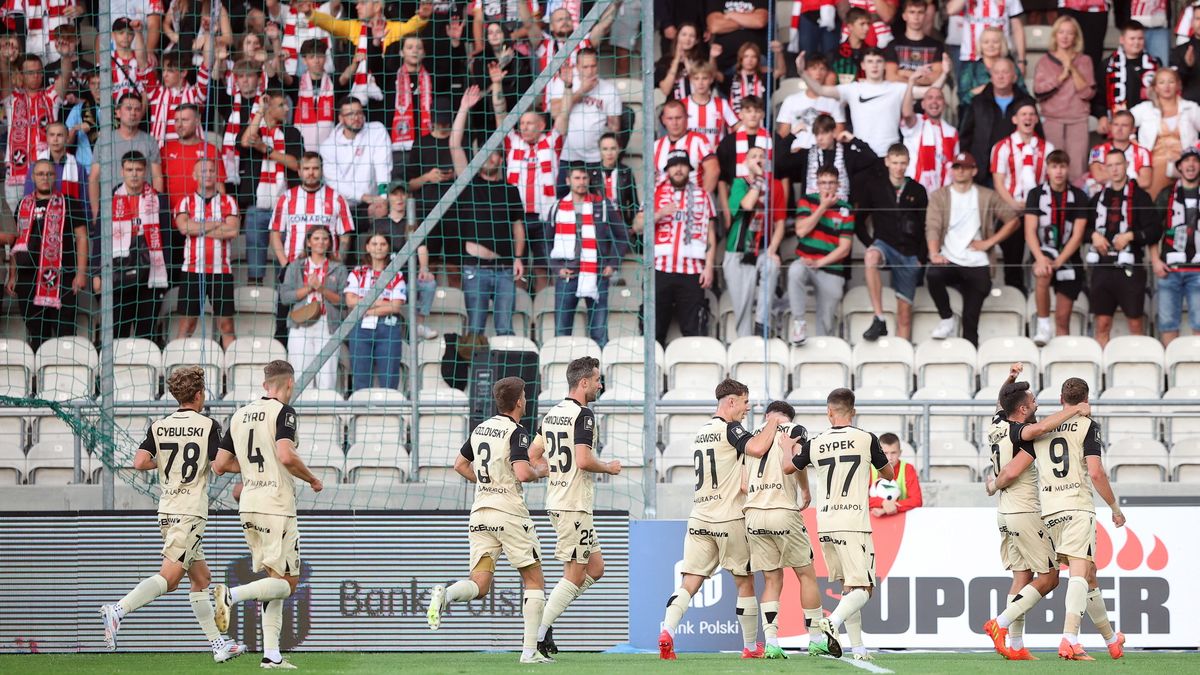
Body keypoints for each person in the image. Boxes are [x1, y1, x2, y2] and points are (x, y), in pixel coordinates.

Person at [98, 366, 245, 662]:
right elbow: (221, 463)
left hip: (167, 510)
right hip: (190, 512)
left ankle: (219, 645)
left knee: (202, 578)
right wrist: (252, 466)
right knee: (171, 577)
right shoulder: (208, 425)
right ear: (200, 395)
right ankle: (118, 610)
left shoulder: (159, 425)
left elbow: (140, 462)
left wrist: (166, 464)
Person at [989, 377, 1127, 662]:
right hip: (1073, 506)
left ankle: (1111, 640)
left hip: (1047, 512)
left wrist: (992, 484)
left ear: (1061, 399)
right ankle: (1066, 639)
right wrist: (1115, 507)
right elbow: (1097, 472)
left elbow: (1012, 469)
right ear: (1085, 399)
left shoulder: (1036, 432)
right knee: (1070, 573)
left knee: (1087, 573)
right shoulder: (1085, 425)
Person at [426, 376, 553, 664]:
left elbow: (459, 464)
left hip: (481, 514)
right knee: (534, 580)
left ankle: (445, 595)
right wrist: (542, 472)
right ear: (519, 401)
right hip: (509, 514)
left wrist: (487, 483)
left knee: (480, 585)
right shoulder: (517, 432)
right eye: (525, 396)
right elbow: (522, 472)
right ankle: (529, 652)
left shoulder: (481, 428)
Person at [658, 378, 787, 661]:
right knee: (745, 583)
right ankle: (751, 647)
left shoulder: (702, 431)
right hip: (728, 518)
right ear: (730, 402)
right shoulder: (731, 429)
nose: (747, 407)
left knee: (689, 583)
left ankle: (667, 631)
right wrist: (773, 424)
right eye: (744, 402)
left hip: (698, 518)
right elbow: (756, 448)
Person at [212, 360, 323, 670]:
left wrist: (248, 469)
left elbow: (219, 465)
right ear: (289, 384)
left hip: (248, 505)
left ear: (265, 384)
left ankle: (271, 655)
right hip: (276, 505)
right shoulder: (283, 412)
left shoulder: (238, 415)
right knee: (288, 583)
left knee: (275, 578)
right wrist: (312, 479)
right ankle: (231, 594)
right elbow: (286, 455)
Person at [981, 365, 1089, 660]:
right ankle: (999, 624)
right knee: (1050, 576)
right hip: (1025, 510)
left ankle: (1015, 647)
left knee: (1022, 576)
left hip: (1004, 513)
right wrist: (1077, 409)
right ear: (1024, 408)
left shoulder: (998, 421)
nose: (1037, 402)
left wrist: (1011, 379)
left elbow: (1001, 401)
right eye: (1033, 401)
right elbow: (1015, 465)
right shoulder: (1022, 433)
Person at [779, 387, 893, 662]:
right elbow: (887, 473)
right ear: (853, 412)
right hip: (853, 521)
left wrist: (785, 447)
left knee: (848, 588)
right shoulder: (866, 438)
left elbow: (788, 468)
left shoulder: (816, 442)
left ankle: (859, 649)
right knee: (864, 588)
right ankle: (833, 621)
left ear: (829, 412)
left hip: (825, 521)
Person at [526, 357, 621, 659]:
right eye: (596, 379)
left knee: (596, 568)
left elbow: (532, 455)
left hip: (562, 501)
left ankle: (546, 620)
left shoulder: (552, 413)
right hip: (572, 505)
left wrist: (550, 472)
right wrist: (608, 467)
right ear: (583, 383)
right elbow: (582, 460)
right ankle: (538, 632)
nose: (599, 384)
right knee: (575, 573)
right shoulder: (584, 415)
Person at [742, 400, 832, 659]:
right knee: (806, 574)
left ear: (768, 415)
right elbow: (797, 461)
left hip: (754, 514)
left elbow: (743, 484)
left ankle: (771, 643)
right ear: (789, 416)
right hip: (782, 510)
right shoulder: (795, 429)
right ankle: (815, 639)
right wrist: (805, 490)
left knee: (771, 579)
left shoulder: (751, 438)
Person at [451, 89, 526, 337]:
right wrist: (464, 107)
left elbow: (518, 226)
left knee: (505, 328)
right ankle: (474, 377)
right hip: (476, 269)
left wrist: (518, 258)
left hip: (505, 268)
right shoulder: (469, 182)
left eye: (494, 152)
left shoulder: (510, 189)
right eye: (485, 151)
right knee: (475, 329)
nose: (490, 157)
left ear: (500, 158)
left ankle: (509, 378)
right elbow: (454, 145)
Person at [925, 152, 1021, 345]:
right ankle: (947, 318)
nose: (960, 171)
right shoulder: (939, 196)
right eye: (957, 167)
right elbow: (932, 226)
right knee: (933, 274)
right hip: (950, 259)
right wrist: (934, 253)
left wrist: (988, 243)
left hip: (978, 262)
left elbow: (1013, 220)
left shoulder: (986, 195)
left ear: (974, 171)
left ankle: (970, 366)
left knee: (971, 321)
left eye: (965, 167)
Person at [800, 48, 947, 159]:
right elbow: (819, 89)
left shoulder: (897, 88)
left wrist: (945, 73)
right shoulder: (853, 89)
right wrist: (802, 72)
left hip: (889, 156)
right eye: (870, 62)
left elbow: (932, 91)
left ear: (884, 65)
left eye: (878, 61)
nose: (874, 66)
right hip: (860, 153)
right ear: (863, 65)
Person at [6, 159, 88, 352]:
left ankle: (64, 378)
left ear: (55, 176)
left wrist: (81, 273)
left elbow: (82, 238)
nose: (45, 177)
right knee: (37, 335)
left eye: (49, 174)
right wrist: (12, 275)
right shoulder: (23, 204)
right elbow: (17, 244)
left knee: (64, 335)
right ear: (33, 177)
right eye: (40, 174)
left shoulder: (70, 202)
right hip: (28, 280)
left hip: (62, 278)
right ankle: (39, 379)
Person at [546, 166, 629, 346]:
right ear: (568, 181)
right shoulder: (557, 207)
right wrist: (557, 268)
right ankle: (564, 372)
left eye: (584, 178)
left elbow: (622, 236)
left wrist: (612, 264)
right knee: (562, 333)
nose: (581, 182)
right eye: (577, 178)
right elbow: (546, 242)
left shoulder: (603, 205)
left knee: (599, 333)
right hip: (567, 276)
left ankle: (601, 373)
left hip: (597, 275)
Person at [1088, 148, 1158, 347]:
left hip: (1130, 268)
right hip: (1102, 267)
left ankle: (1138, 368)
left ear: (1127, 165)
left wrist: (1131, 236)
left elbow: (1155, 230)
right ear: (1105, 169)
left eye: (1118, 164)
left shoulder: (1141, 197)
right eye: (1110, 165)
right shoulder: (1098, 198)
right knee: (1102, 323)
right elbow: (1082, 229)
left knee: (1135, 323)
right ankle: (1101, 374)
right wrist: (1094, 236)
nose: (1115, 169)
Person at [859, 144, 928, 342]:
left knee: (904, 316)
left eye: (902, 163)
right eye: (895, 162)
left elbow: (926, 226)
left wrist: (921, 259)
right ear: (887, 162)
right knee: (871, 257)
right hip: (885, 244)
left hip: (909, 252)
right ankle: (879, 317)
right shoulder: (875, 186)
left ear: (908, 163)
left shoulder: (918, 189)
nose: (898, 167)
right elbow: (859, 221)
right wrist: (871, 243)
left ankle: (900, 359)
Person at [652, 151, 716, 345]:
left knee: (694, 330)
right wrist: (660, 213)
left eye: (682, 165)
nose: (678, 169)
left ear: (689, 169)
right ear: (667, 170)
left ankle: (693, 372)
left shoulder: (703, 195)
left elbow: (710, 232)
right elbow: (637, 226)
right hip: (660, 270)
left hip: (692, 271)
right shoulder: (655, 192)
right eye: (674, 165)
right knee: (654, 330)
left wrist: (709, 266)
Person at [1025, 150, 1088, 345]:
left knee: (1062, 319)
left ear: (1068, 169)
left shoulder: (1078, 196)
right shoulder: (1036, 194)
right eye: (1054, 166)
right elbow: (1030, 231)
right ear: (1048, 169)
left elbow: (1077, 236)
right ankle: (1043, 325)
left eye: (1062, 166)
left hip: (1068, 257)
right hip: (1044, 249)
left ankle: (1063, 359)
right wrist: (1040, 258)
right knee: (1042, 271)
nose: (1058, 171)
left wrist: (1059, 261)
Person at [991, 101, 1055, 293]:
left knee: (1044, 254)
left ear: (1036, 119)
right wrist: (1013, 204)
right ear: (1015, 119)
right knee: (1013, 256)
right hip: (1013, 209)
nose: (1027, 118)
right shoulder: (1002, 147)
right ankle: (1016, 294)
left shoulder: (1047, 148)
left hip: (1040, 210)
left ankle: (1042, 295)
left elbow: (1052, 180)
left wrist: (1037, 206)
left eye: (1031, 114)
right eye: (1023, 114)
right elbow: (998, 182)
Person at [175, 159, 239, 348]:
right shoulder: (185, 201)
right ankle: (178, 366)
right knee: (188, 324)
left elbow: (233, 231)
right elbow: (184, 227)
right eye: (203, 171)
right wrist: (217, 224)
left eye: (212, 170)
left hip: (221, 272)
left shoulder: (228, 201)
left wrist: (198, 228)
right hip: (192, 271)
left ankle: (231, 371)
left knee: (226, 325)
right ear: (194, 176)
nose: (208, 174)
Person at [106, 152, 168, 341]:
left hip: (150, 274)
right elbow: (101, 238)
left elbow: (167, 240)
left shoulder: (159, 199)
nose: (134, 174)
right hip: (118, 273)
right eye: (129, 169)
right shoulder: (110, 199)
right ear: (121, 171)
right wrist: (98, 273)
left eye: (139, 169)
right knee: (118, 333)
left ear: (146, 171)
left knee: (146, 333)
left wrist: (166, 276)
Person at [788, 166, 854, 345]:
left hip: (830, 267)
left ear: (838, 185)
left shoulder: (845, 209)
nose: (827, 187)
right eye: (823, 183)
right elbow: (801, 231)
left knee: (826, 323)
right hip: (805, 262)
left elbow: (845, 248)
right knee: (795, 270)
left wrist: (820, 262)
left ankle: (822, 354)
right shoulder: (806, 201)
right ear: (817, 184)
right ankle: (799, 323)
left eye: (831, 183)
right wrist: (822, 208)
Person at [725, 146, 784, 338]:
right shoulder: (739, 184)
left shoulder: (775, 186)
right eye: (753, 156)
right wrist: (759, 179)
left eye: (762, 156)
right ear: (746, 162)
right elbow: (747, 205)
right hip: (738, 251)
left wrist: (773, 249)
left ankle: (761, 322)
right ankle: (744, 346)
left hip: (762, 249)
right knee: (742, 305)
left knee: (772, 265)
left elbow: (780, 223)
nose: (758, 159)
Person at [279, 226, 347, 391]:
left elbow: (344, 301)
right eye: (316, 238)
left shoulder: (338, 268)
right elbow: (285, 297)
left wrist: (321, 288)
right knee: (302, 375)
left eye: (325, 238)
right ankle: (303, 414)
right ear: (308, 242)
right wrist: (309, 288)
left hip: (327, 324)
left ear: (330, 242)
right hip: (300, 325)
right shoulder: (295, 266)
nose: (321, 242)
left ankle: (327, 415)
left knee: (327, 377)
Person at [6, 52, 73, 212]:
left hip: (46, 174)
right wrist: (6, 60)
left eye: (39, 72)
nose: (36, 76)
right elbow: (3, 79)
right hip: (17, 174)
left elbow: (65, 76)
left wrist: (66, 56)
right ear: (21, 75)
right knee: (18, 226)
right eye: (30, 72)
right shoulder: (12, 98)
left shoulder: (50, 96)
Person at [548, 48, 621, 191]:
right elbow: (555, 112)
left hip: (597, 159)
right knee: (564, 203)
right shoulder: (566, 83)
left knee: (598, 206)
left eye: (593, 66)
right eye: (585, 67)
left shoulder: (609, 90)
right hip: (569, 156)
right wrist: (581, 91)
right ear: (577, 67)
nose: (590, 71)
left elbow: (615, 128)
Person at [1034, 16, 1095, 183]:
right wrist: (1060, 77)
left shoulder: (1084, 60)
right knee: (1053, 172)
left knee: (1077, 172)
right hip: (1053, 120)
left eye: (1070, 33)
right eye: (1061, 32)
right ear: (1055, 35)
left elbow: (1088, 93)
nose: (1065, 37)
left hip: (1077, 120)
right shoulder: (1045, 61)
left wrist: (1072, 67)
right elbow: (1039, 92)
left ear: (1076, 37)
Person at [268, 152, 355, 269]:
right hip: (294, 267)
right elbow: (275, 234)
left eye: (315, 168)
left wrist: (338, 263)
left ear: (322, 170)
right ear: (299, 171)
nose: (311, 173)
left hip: (327, 268)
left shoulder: (337, 198)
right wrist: (285, 264)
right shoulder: (285, 198)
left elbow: (345, 235)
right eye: (306, 169)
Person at [319, 96, 394, 231]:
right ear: (340, 118)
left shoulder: (377, 130)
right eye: (350, 114)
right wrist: (365, 197)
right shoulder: (327, 146)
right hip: (340, 208)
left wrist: (382, 198)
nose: (356, 117)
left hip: (372, 205)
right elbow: (335, 183)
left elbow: (383, 166)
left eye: (359, 112)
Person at [959, 59, 1036, 187]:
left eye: (1005, 72)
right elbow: (965, 137)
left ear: (1014, 77)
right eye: (996, 72)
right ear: (991, 76)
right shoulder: (978, 102)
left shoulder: (1026, 102)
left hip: (1019, 173)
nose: (1000, 76)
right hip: (984, 174)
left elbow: (1037, 136)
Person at [344, 232, 406, 391]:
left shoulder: (396, 274)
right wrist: (381, 303)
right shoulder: (358, 272)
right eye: (374, 243)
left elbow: (396, 307)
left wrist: (366, 306)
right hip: (361, 327)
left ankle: (390, 414)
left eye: (383, 244)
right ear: (367, 247)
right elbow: (350, 301)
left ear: (388, 247)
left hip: (388, 327)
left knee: (389, 379)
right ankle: (361, 414)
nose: (378, 247)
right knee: (360, 378)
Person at [90, 94, 165, 222]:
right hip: (112, 209)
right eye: (128, 109)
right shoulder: (104, 141)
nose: (133, 113)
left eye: (137, 109)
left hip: (143, 211)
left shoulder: (150, 141)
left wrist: (155, 210)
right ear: (118, 112)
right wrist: (96, 212)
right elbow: (94, 178)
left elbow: (157, 177)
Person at [1152, 147, 1200, 345]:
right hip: (1170, 269)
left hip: (1198, 270)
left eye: (1195, 161)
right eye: (1186, 161)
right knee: (1168, 323)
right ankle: (1171, 373)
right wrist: (1155, 260)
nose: (1190, 165)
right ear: (1179, 166)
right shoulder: (1166, 194)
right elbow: (1153, 230)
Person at [1130, 69, 1200, 200]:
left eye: (1171, 82)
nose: (1167, 86)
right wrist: (1133, 141)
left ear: (1178, 85)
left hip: (1187, 163)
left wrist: (1196, 148)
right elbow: (1122, 121)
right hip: (1156, 163)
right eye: (1162, 82)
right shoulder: (1145, 109)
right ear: (1155, 87)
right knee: (1153, 202)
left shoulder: (1190, 108)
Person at [1102, 20, 1161, 136]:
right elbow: (1100, 95)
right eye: (1132, 39)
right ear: (1122, 40)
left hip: (1147, 124)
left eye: (1140, 39)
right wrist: (1101, 116)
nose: (1136, 43)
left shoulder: (1154, 63)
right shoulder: (1108, 65)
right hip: (1118, 124)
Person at [900, 79, 958, 194]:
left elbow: (953, 165)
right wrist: (911, 82)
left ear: (944, 104)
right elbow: (906, 114)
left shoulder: (952, 132)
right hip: (914, 190)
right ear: (923, 104)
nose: (934, 102)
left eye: (939, 98)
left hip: (941, 194)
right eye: (930, 98)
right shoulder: (917, 123)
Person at [775, 53, 845, 143]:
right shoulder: (791, 100)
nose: (818, 73)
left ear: (827, 73)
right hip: (796, 152)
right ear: (806, 71)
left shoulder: (834, 102)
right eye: (814, 68)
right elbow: (783, 134)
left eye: (822, 69)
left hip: (823, 152)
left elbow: (839, 134)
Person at [652, 99, 719, 193]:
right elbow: (651, 179)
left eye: (678, 118)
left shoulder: (698, 141)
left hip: (692, 201)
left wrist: (702, 198)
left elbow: (713, 170)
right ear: (663, 120)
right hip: (664, 202)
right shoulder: (656, 146)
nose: (674, 123)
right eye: (670, 118)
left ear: (686, 118)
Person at [957, 26, 1026, 113]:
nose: (991, 46)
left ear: (1002, 44)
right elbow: (963, 99)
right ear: (980, 45)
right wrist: (986, 88)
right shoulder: (970, 68)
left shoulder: (1011, 66)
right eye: (986, 42)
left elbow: (1024, 95)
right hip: (977, 115)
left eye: (995, 42)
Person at [1087, 110, 1152, 195]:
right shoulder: (1098, 150)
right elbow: (1099, 177)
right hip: (1102, 196)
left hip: (1131, 197)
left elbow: (1145, 182)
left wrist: (1109, 173)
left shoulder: (1142, 152)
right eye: (1116, 124)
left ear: (1133, 130)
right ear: (1110, 127)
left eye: (1124, 125)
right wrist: (1133, 175)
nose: (1119, 129)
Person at [289, 38, 337, 152]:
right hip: (302, 150)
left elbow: (345, 77)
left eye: (320, 56)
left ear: (325, 58)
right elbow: (283, 77)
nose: (316, 61)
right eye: (311, 57)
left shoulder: (333, 81)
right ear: (304, 60)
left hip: (329, 149)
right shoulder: (298, 82)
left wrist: (355, 63)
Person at [590, 132, 642, 236]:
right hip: (598, 223)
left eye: (613, 148)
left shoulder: (626, 172)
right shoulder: (592, 172)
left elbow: (633, 202)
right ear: (600, 151)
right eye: (605, 149)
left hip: (620, 223)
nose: (609, 153)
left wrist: (632, 227)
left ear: (619, 149)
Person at [948, 0, 1027, 68]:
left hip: (1001, 57)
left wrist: (1021, 60)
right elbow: (951, 10)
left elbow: (1017, 28)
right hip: (970, 57)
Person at [885, 0, 946, 84]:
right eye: (912, 12)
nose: (916, 17)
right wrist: (921, 78)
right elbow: (891, 77)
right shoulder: (893, 45)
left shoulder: (936, 46)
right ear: (904, 16)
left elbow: (936, 78)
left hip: (926, 93)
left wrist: (903, 73)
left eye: (920, 12)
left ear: (925, 15)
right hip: (901, 93)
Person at [683, 62, 738, 150]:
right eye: (696, 78)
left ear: (711, 79)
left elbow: (738, 127)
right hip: (688, 157)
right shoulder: (682, 105)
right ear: (691, 80)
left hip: (716, 158)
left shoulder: (722, 104)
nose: (700, 82)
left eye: (704, 78)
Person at [868, 432, 923, 517]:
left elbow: (917, 500)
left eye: (893, 453)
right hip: (872, 520)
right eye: (885, 453)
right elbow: (859, 499)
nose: (889, 458)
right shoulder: (869, 469)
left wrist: (890, 508)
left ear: (900, 453)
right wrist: (882, 502)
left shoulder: (908, 469)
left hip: (901, 519)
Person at [705, 0, 768, 73]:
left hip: (755, 61)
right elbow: (715, 27)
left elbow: (759, 21)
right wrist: (747, 20)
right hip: (725, 63)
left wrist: (731, 15)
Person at [656, 22, 712, 100]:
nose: (687, 39)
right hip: (675, 108)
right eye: (684, 34)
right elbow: (666, 90)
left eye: (692, 36)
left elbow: (704, 87)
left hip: (696, 107)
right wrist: (676, 60)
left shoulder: (701, 60)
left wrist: (686, 60)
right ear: (677, 37)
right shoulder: (664, 61)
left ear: (696, 41)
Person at [723, 42, 783, 113]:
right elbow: (713, 74)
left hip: (760, 120)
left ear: (758, 59)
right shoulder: (732, 77)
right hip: (736, 121)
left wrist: (779, 53)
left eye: (753, 57)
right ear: (740, 59)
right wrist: (712, 57)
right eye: (746, 56)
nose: (749, 60)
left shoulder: (765, 77)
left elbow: (781, 71)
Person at [1171, 7, 1200, 102]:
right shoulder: (1180, 51)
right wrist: (1186, 66)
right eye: (1198, 19)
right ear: (1192, 22)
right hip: (1191, 106)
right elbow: (1173, 83)